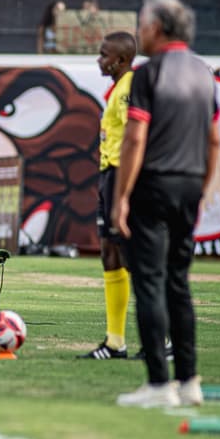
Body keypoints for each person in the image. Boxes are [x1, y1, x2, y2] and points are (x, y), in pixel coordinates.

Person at [111, 0, 220, 407]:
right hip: (190, 184)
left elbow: (136, 138)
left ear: (157, 28)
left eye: (142, 25)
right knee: (179, 282)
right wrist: (203, 187)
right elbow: (213, 139)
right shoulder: (202, 72)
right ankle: (189, 380)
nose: (139, 32)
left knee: (150, 283)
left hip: (153, 184)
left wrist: (121, 197)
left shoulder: (148, 73)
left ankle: (159, 384)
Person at [77, 31, 136, 360]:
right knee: (110, 254)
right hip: (108, 175)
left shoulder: (128, 88)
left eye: (103, 55)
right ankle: (116, 342)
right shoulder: (118, 88)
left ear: (121, 60)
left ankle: (164, 341)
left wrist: (124, 190)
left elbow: (133, 138)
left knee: (131, 256)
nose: (99, 60)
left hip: (118, 176)